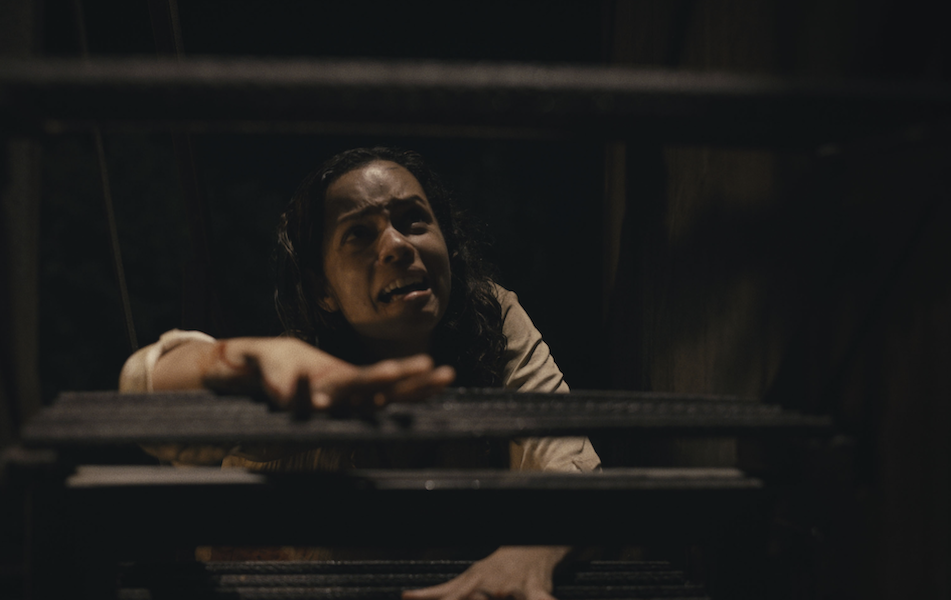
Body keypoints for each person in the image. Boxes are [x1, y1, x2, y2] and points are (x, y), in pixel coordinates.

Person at [120, 147, 600, 600]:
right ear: (322, 289)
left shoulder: (490, 318)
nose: (397, 245)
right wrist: (245, 359)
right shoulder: (297, 379)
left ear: (449, 246)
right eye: (359, 234)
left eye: (414, 220)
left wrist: (528, 554)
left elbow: (570, 466)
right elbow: (146, 391)